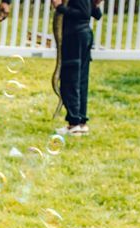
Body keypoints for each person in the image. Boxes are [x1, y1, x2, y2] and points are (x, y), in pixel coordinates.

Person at [52, 0, 102, 135]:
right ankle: (81, 122)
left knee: (70, 79)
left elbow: (83, 14)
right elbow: (96, 14)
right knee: (81, 79)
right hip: (83, 35)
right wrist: (95, 5)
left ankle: (74, 122)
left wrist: (60, 7)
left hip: (75, 36)